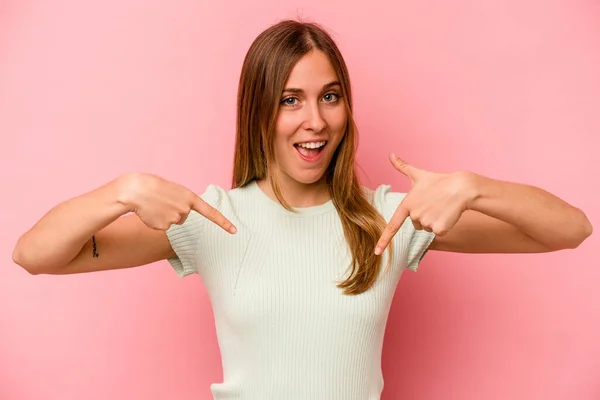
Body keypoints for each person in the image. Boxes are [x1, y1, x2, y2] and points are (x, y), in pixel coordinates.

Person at [12, 19, 592, 400]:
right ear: (259, 111)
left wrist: (473, 186)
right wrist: (123, 190)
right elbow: (34, 256)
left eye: (329, 96)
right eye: (290, 100)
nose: (315, 121)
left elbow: (570, 229)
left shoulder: (388, 219)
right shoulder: (212, 221)